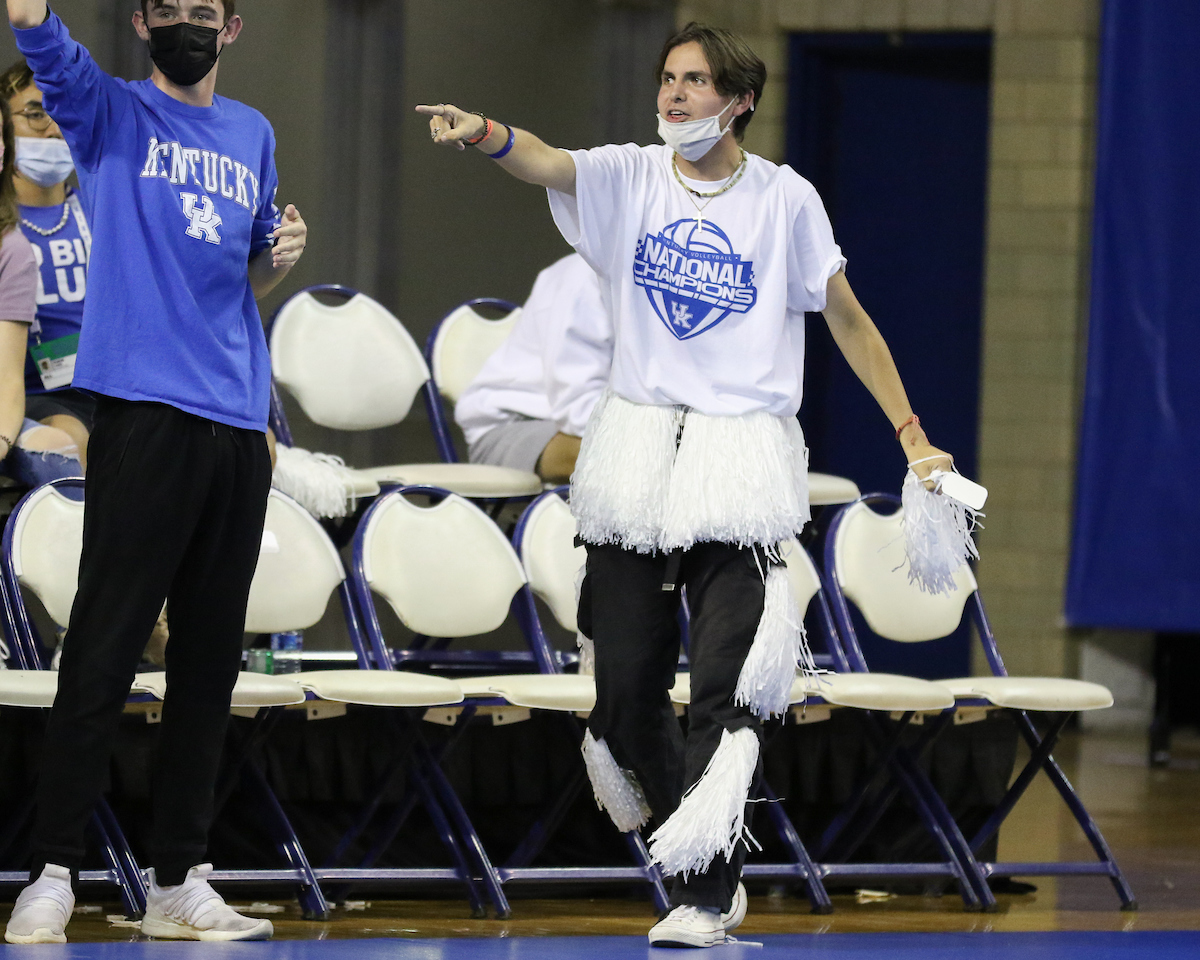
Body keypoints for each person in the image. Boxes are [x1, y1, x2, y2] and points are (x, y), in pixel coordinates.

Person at [419, 22, 953, 948]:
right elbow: (546, 162)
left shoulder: (786, 200)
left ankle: (706, 892)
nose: (672, 97)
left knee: (726, 684)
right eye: (667, 79)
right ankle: (688, 845)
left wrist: (912, 434)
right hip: (633, 460)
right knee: (624, 690)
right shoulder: (630, 175)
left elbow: (852, 323)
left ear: (738, 100)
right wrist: (486, 134)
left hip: (738, 462)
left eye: (695, 82)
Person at [3, 0, 306, 944]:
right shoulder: (108, 112)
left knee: (210, 659)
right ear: (141, 22)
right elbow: (39, 38)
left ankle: (179, 878)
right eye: (166, 11)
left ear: (233, 27)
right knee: (103, 646)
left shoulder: (251, 132)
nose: (184, 25)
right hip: (140, 411)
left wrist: (280, 259)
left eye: (200, 13)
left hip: (233, 420)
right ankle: (52, 871)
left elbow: (240, 276)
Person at [2, 59, 93, 468]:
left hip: (109, 388)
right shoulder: (5, 229)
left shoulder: (100, 211)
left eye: (63, 114)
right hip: (31, 393)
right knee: (74, 441)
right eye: (36, 114)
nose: (54, 128)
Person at [455, 252, 610, 483]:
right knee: (629, 457)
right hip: (513, 426)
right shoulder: (583, 276)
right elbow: (579, 412)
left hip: (583, 425)